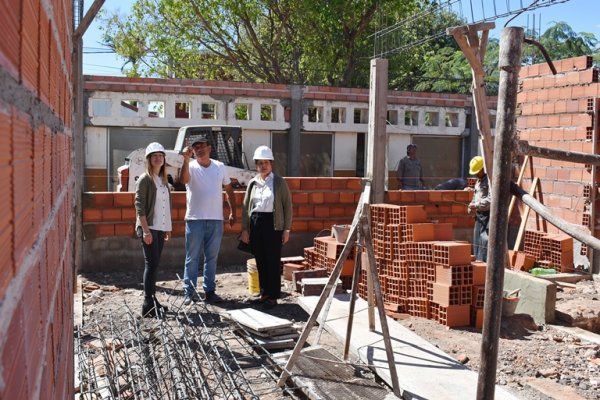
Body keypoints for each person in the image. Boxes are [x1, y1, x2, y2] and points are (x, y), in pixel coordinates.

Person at [180, 134, 236, 304]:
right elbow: (183, 180)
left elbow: (229, 189)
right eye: (196, 147)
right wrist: (185, 159)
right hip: (195, 219)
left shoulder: (219, 167)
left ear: (209, 148)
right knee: (192, 258)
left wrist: (233, 211)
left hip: (215, 220)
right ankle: (188, 292)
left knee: (211, 258)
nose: (199, 149)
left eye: (202, 146)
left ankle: (209, 291)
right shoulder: (190, 166)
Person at [240, 146, 292, 308]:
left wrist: (286, 229)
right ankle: (264, 293)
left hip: (273, 224)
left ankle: (273, 295)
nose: (263, 166)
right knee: (260, 260)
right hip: (256, 223)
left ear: (271, 164)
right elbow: (246, 207)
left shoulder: (279, 182)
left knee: (272, 260)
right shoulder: (253, 183)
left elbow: (287, 206)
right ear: (256, 165)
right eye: (260, 163)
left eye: (266, 162)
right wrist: (245, 228)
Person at [135, 142, 172, 318]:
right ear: (149, 160)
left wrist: (166, 228)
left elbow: (164, 207)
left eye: (160, 155)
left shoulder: (163, 180)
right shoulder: (145, 179)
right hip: (149, 228)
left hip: (159, 228)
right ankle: (147, 303)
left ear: (164, 159)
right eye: (154, 156)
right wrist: (146, 231)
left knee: (155, 265)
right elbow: (139, 207)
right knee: (151, 265)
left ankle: (152, 299)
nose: (158, 158)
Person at [467, 156, 491, 262]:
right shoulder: (478, 182)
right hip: (479, 216)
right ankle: (478, 264)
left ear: (483, 168)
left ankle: (484, 265)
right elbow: (475, 197)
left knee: (484, 241)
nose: (476, 174)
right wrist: (471, 205)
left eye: (478, 171)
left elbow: (491, 200)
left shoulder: (490, 181)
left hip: (488, 216)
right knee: (476, 242)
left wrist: (476, 205)